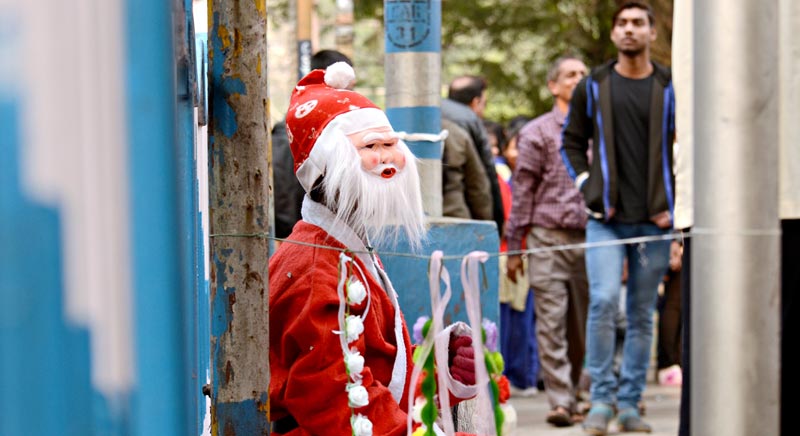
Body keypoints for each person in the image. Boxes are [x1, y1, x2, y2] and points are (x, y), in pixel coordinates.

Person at [268, 62, 480, 435]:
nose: (387, 160)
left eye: (390, 145)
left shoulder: (344, 248)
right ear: (328, 166)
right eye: (370, 147)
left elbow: (375, 370)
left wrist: (437, 370)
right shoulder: (315, 268)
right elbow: (339, 403)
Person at [560, 2, 676, 434]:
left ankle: (630, 402)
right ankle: (601, 399)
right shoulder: (594, 84)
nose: (630, 30)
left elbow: (688, 148)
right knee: (605, 301)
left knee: (643, 311)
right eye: (623, 24)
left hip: (656, 220)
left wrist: (678, 203)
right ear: (613, 34)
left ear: (650, 32)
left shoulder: (669, 85)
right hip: (604, 218)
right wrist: (586, 183)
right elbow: (571, 141)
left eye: (638, 23)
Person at [505, 55, 590, 427]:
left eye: (584, 75)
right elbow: (521, 191)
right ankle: (560, 400)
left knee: (588, 322)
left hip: (593, 239)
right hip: (545, 239)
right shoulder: (537, 132)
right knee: (551, 323)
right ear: (553, 86)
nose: (579, 79)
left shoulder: (601, 130)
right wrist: (515, 245)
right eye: (571, 75)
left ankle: (584, 396)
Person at [272, 49, 353, 242]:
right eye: (350, 87)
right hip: (314, 238)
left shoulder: (285, 129)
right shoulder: (326, 135)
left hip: (286, 236)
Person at [441, 75, 505, 238]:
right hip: (454, 216)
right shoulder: (469, 120)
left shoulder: (413, 115)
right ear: (476, 102)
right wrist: (489, 225)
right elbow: (479, 182)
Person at [441, 118, 493, 220]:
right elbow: (477, 186)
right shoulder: (455, 132)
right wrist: (483, 225)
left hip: (407, 222)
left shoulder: (401, 131)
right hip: (453, 216)